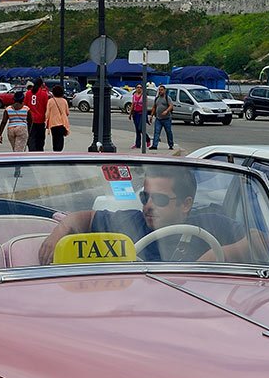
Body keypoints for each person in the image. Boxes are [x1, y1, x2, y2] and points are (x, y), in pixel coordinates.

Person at [38, 164, 254, 264]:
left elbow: (262, 240)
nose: (148, 206)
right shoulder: (131, 221)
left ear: (185, 204)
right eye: (145, 197)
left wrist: (215, 256)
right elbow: (84, 218)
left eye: (159, 199)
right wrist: (61, 230)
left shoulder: (211, 223)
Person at [24, 76, 50, 152]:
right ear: (41, 84)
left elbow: (25, 106)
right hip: (40, 119)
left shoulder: (28, 93)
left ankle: (32, 151)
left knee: (31, 137)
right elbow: (46, 107)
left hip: (30, 119)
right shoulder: (44, 94)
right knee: (40, 138)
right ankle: (39, 152)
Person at [45, 86, 70, 152]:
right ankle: (59, 151)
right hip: (62, 123)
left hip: (53, 123)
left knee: (55, 138)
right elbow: (67, 112)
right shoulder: (64, 101)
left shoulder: (50, 101)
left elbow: (47, 113)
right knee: (60, 138)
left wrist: (46, 121)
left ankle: (55, 151)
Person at [149, 83, 174, 150]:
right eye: (159, 90)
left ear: (165, 91)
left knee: (168, 132)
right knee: (156, 132)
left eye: (162, 90)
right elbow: (154, 107)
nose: (160, 91)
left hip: (166, 119)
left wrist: (166, 111)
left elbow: (171, 106)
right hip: (158, 119)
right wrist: (151, 116)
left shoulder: (167, 98)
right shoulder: (157, 98)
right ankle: (154, 145)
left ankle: (171, 145)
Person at [130, 83, 146, 149]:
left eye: (140, 87)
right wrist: (130, 114)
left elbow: (145, 105)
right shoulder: (134, 95)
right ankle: (137, 144)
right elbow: (132, 105)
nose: (139, 88)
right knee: (137, 130)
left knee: (140, 128)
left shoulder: (144, 96)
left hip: (141, 113)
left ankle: (147, 139)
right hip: (135, 113)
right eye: (137, 87)